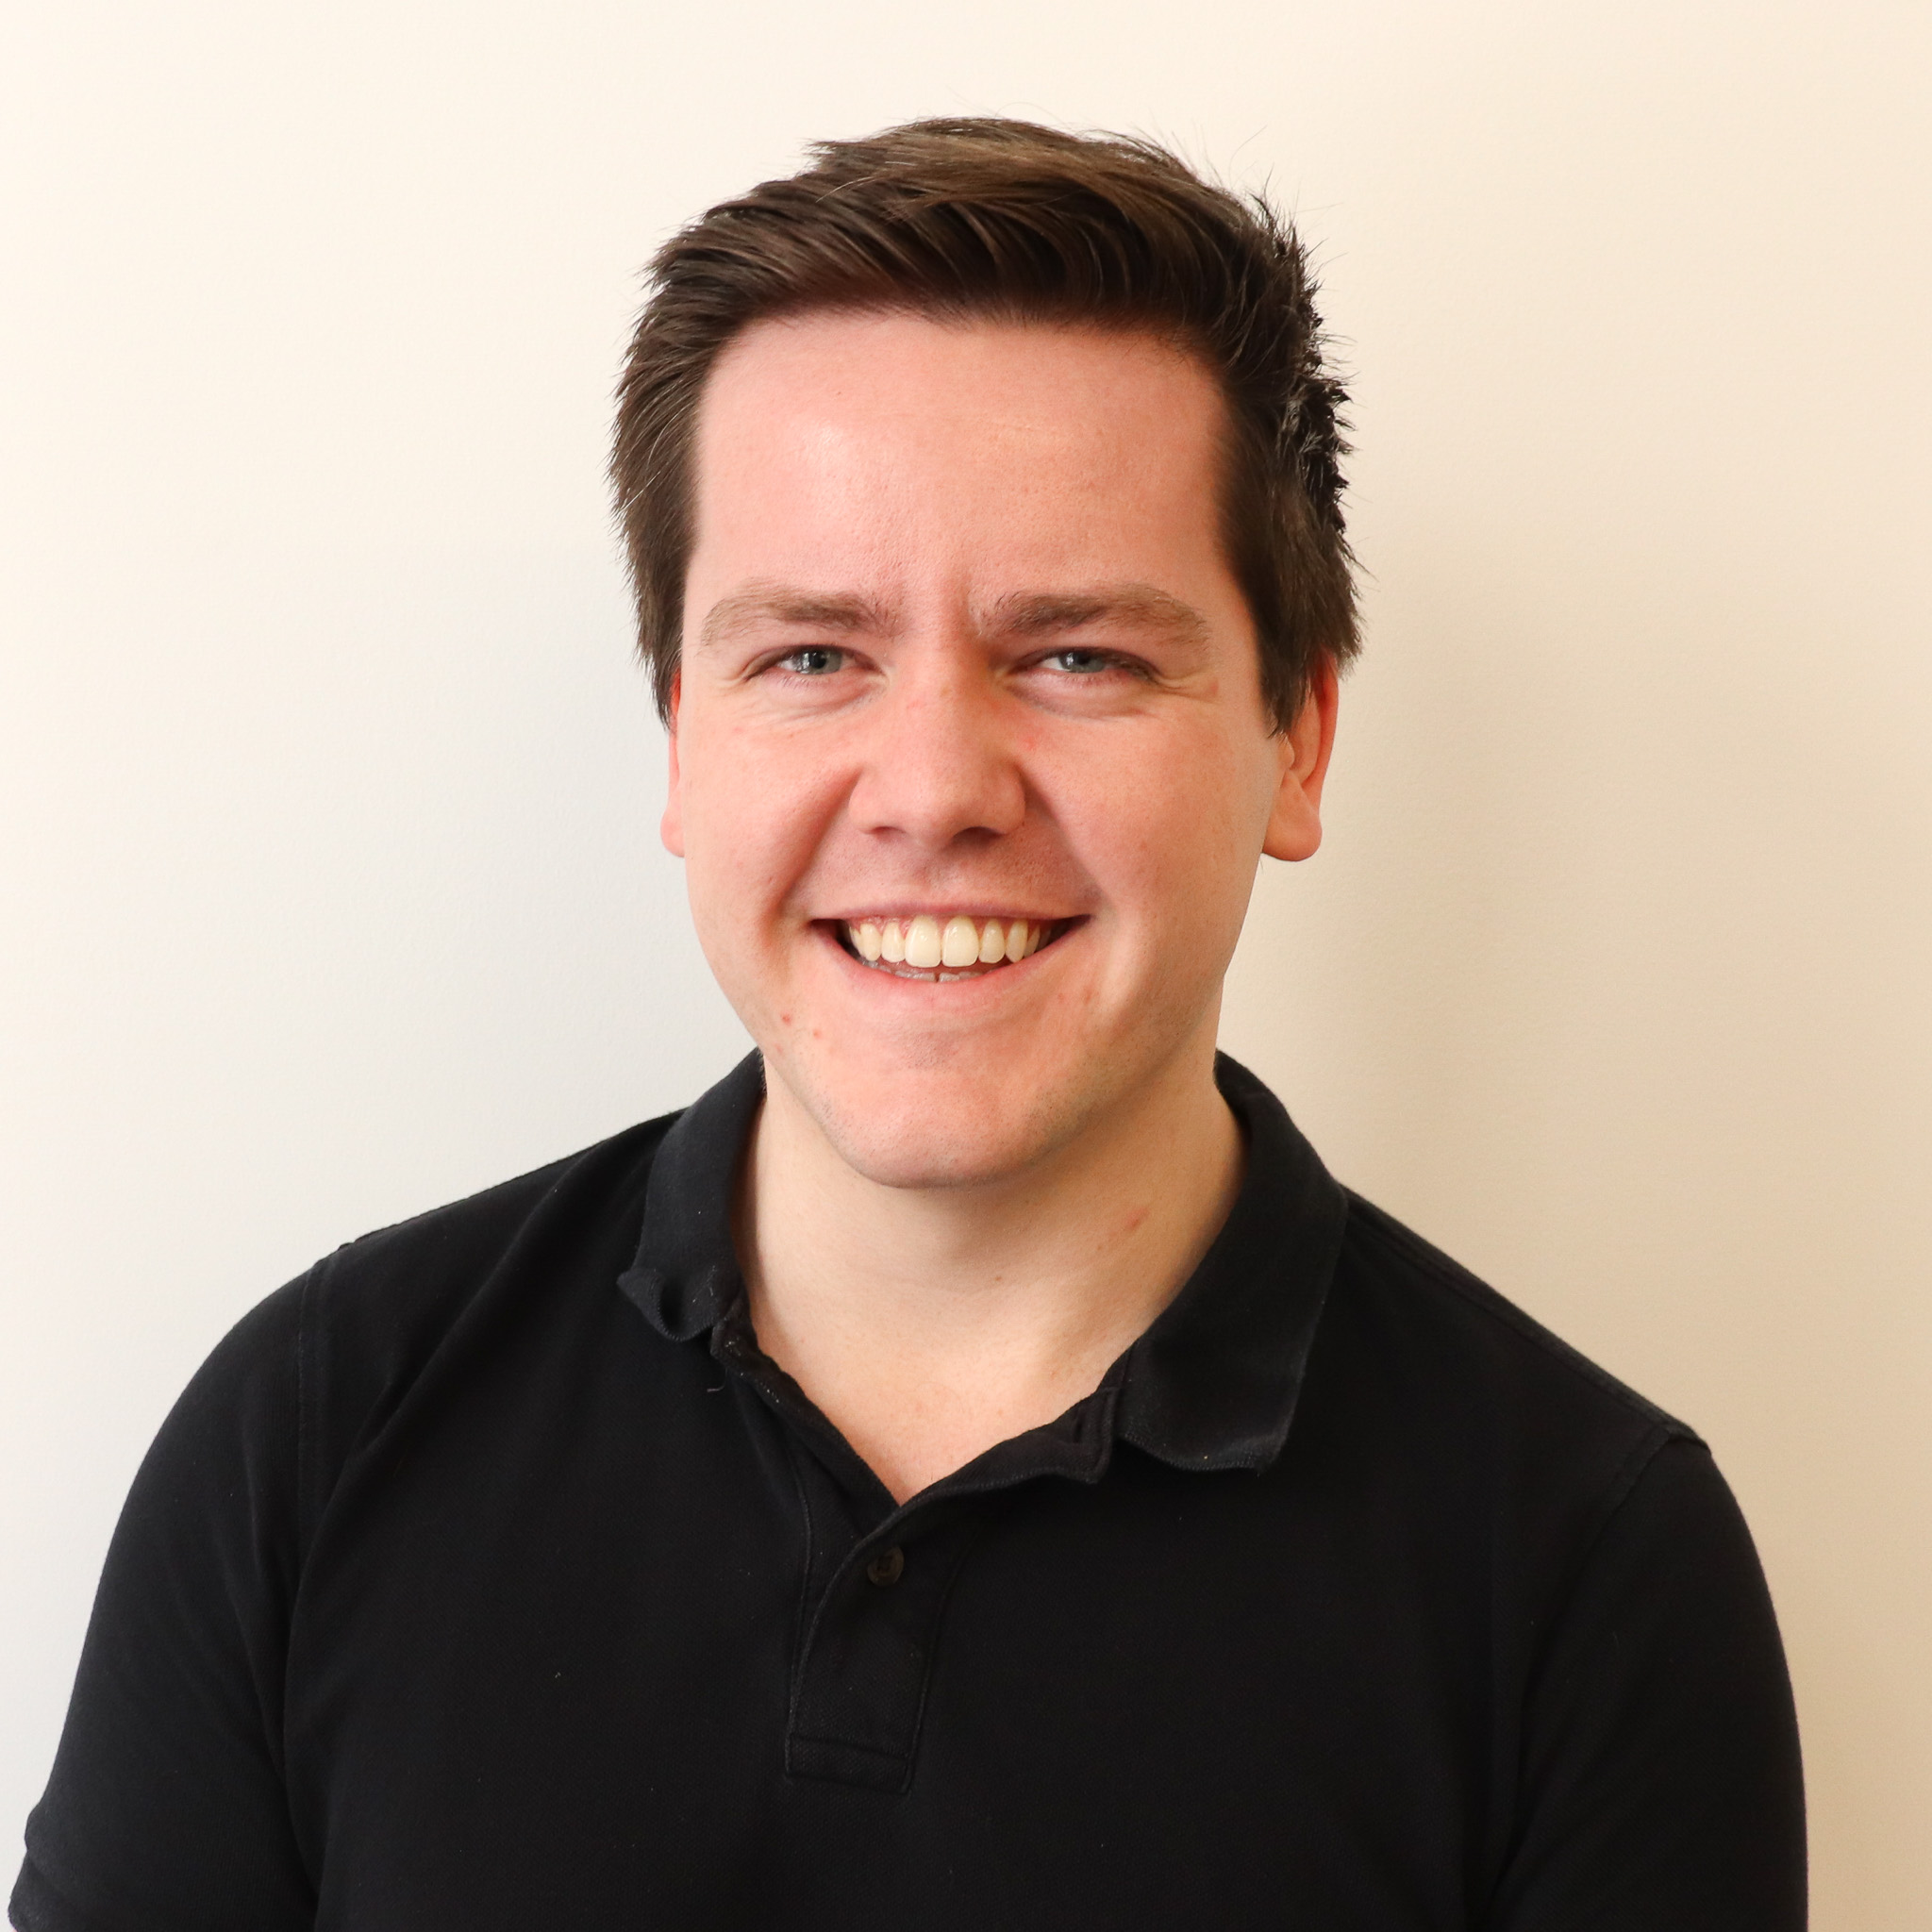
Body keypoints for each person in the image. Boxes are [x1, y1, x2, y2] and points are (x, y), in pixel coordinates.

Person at [12, 119, 1805, 1931]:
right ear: (682, 739)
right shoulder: (316, 1431)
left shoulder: (1589, 1571)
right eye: (811, 655)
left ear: (1298, 738)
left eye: (1080, 656)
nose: (935, 790)